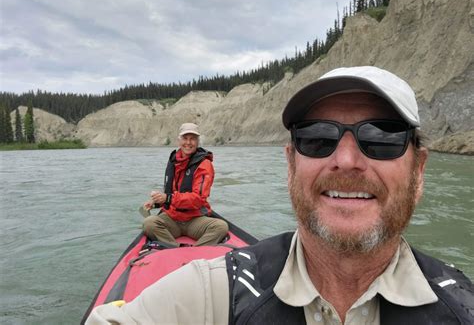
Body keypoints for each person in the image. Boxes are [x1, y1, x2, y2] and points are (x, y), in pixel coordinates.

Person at [87, 67, 473, 324]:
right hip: (172, 214)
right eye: (317, 138)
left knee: (208, 226)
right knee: (152, 222)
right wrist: (163, 200)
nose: (346, 160)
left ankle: (171, 247)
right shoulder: (214, 294)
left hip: (195, 215)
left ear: (419, 170)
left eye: (382, 137)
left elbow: (197, 197)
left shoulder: (463, 310)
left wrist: (173, 204)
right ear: (291, 166)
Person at [141, 122, 228, 247]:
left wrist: (168, 198)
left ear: (198, 142)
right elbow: (171, 193)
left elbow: (198, 199)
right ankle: (176, 249)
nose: (188, 142)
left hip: (195, 219)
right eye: (185, 138)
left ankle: (193, 252)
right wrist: (156, 203)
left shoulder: (204, 164)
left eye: (192, 139)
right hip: (172, 218)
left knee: (220, 227)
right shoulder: (173, 161)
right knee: (149, 223)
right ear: (179, 141)